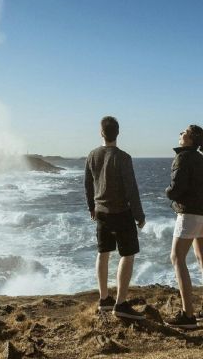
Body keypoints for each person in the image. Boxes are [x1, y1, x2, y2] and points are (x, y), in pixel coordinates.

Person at [84, 116, 146, 320]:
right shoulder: (123, 157)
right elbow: (131, 189)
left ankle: (104, 299)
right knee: (127, 255)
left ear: (101, 133)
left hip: (101, 212)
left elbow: (88, 184)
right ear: (117, 133)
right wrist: (139, 215)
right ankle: (120, 303)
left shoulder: (92, 155)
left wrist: (92, 207)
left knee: (103, 253)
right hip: (121, 213)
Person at [165, 124, 203, 329]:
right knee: (201, 258)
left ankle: (188, 316)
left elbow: (176, 188)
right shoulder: (201, 158)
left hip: (189, 214)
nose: (180, 134)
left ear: (191, 139)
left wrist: (168, 193)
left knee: (177, 258)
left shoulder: (183, 157)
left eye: (184, 133)